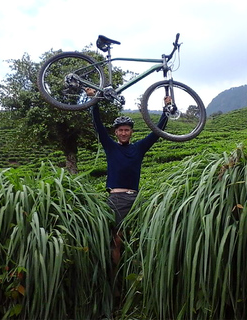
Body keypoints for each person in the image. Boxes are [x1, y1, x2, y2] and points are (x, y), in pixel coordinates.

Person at [87, 88, 169, 297]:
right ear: (116, 133)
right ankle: (116, 286)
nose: (123, 133)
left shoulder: (139, 148)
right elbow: (97, 126)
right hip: (116, 198)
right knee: (116, 240)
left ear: (131, 132)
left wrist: (166, 110)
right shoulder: (111, 147)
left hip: (135, 198)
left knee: (137, 239)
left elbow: (157, 133)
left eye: (127, 130)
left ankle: (138, 282)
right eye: (120, 130)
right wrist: (93, 101)